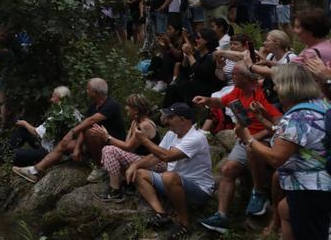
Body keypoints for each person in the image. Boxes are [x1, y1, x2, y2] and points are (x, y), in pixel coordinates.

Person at [233, 64, 330, 240]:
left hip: (308, 189)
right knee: (285, 209)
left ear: (287, 86)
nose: (275, 88)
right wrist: (263, 118)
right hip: (321, 183)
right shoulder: (318, 105)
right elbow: (295, 138)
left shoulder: (297, 117)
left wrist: (248, 137)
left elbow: (276, 158)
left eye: (277, 83)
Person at [193, 63, 282, 232]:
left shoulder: (263, 93)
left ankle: (258, 193)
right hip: (245, 136)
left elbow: (279, 123)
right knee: (228, 169)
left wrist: (253, 137)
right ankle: (222, 216)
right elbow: (220, 102)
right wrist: (207, 100)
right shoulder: (238, 90)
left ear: (246, 77)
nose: (231, 76)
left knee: (251, 148)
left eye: (234, 74)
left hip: (266, 137)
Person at [126, 103, 215, 239]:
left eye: (171, 117)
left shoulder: (196, 138)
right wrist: (135, 165)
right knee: (139, 173)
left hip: (199, 189)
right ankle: (161, 214)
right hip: (173, 183)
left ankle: (184, 224)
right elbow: (155, 157)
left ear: (183, 120)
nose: (167, 120)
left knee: (168, 176)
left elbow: (167, 156)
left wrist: (143, 140)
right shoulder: (170, 134)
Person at [12, 78, 125, 183]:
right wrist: (76, 148)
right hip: (95, 142)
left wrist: (71, 132)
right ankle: (34, 171)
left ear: (95, 92)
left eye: (88, 89)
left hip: (111, 143)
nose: (86, 91)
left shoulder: (111, 105)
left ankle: (101, 168)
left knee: (91, 133)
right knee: (64, 144)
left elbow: (90, 121)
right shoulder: (93, 106)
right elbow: (83, 126)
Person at [89, 94, 162, 201]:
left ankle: (115, 191)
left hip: (154, 163)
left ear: (136, 109)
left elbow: (127, 147)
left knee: (108, 149)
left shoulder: (145, 125)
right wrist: (106, 136)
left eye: (128, 105)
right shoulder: (135, 122)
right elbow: (127, 146)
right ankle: (125, 184)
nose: (126, 108)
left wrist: (107, 137)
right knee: (112, 150)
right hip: (140, 158)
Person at [0, 86, 82, 166]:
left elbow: (37, 133)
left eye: (54, 97)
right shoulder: (74, 111)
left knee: (13, 154)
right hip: (49, 145)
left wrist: (24, 123)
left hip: (50, 152)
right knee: (23, 131)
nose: (51, 99)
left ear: (60, 99)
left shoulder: (58, 116)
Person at [162, 28, 222, 108]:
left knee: (184, 86)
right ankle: (168, 111)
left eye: (198, 38)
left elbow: (201, 72)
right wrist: (186, 56)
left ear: (207, 40)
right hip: (193, 83)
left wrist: (189, 55)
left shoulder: (213, 55)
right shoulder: (197, 53)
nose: (196, 40)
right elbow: (184, 71)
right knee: (174, 85)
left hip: (206, 87)